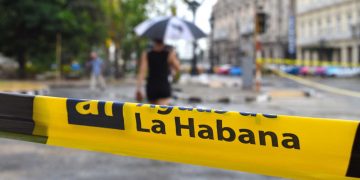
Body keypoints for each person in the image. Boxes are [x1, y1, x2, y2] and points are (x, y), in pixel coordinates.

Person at [136, 39, 180, 105]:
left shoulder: (147, 54)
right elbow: (178, 68)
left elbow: (142, 72)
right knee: (162, 112)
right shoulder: (169, 53)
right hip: (164, 85)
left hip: (151, 86)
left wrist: (139, 88)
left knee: (153, 113)